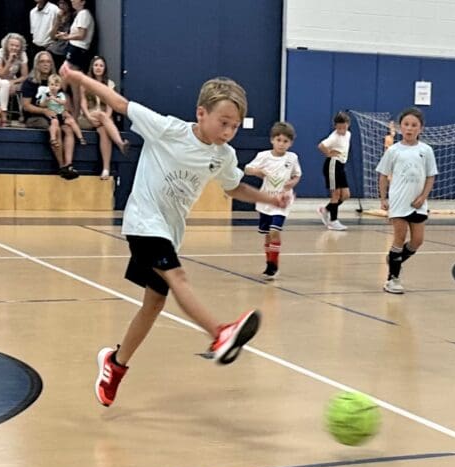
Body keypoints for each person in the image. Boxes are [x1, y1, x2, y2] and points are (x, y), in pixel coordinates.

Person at [60, 64, 290, 407]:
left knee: (154, 304)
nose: (229, 132)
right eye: (223, 122)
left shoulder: (223, 156)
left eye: (235, 126)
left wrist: (270, 198)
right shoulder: (168, 129)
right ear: (201, 113)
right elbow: (120, 103)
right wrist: (79, 79)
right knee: (178, 275)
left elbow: (234, 188)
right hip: (143, 222)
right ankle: (219, 334)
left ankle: (115, 364)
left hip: (169, 231)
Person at [377, 107, 437, 294]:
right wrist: (383, 198)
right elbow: (383, 175)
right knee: (399, 238)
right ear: (400, 127)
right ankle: (392, 279)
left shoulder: (426, 150)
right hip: (399, 201)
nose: (409, 128)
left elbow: (430, 176)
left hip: (418, 203)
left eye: (414, 125)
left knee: (417, 240)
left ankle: (395, 259)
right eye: (406, 125)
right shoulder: (394, 150)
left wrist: (422, 197)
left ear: (421, 129)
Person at [243, 121, 301, 280]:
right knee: (267, 234)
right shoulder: (264, 156)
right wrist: (257, 171)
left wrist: (292, 183)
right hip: (266, 200)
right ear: (272, 140)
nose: (282, 144)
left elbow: (297, 175)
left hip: (282, 201)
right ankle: (269, 261)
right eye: (279, 140)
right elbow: (247, 169)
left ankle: (273, 266)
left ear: (291, 143)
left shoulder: (292, 158)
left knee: (275, 230)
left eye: (286, 141)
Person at [21, 51, 77, 179]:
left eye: (48, 62)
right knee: (54, 127)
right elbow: (26, 106)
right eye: (42, 62)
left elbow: (63, 101)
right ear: (36, 64)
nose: (46, 64)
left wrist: (66, 113)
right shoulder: (30, 82)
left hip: (56, 114)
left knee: (68, 128)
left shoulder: (56, 81)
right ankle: (62, 166)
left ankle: (69, 164)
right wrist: (44, 111)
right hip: (35, 116)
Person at [78, 55, 129, 179]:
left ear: (105, 68)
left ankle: (106, 169)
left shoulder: (109, 84)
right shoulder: (85, 82)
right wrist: (90, 117)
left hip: (104, 119)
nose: (98, 68)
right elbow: (83, 103)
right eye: (96, 65)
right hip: (86, 117)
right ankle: (120, 143)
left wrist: (105, 117)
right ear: (92, 67)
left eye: (101, 65)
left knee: (104, 131)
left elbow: (111, 104)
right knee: (101, 115)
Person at [55, 0, 94, 116]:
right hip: (74, 48)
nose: (71, 0)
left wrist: (66, 37)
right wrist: (66, 36)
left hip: (77, 50)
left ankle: (74, 114)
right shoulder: (80, 14)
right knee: (69, 82)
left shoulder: (84, 14)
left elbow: (82, 35)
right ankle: (70, 111)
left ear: (83, 1)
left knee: (70, 82)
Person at [316, 111, 351, 231]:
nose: (342, 130)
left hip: (341, 165)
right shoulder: (334, 137)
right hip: (333, 164)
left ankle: (325, 209)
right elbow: (321, 145)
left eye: (344, 127)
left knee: (346, 195)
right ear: (335, 126)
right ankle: (333, 221)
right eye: (339, 127)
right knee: (335, 194)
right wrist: (329, 153)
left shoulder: (348, 134)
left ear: (348, 125)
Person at [0, 33, 29, 125]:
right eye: (12, 45)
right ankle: (3, 114)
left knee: (22, 84)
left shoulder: (23, 54)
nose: (14, 48)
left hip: (10, 79)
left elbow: (25, 76)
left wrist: (13, 82)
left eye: (17, 46)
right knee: (5, 83)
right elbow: (1, 74)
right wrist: (9, 61)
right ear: (6, 45)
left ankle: (23, 115)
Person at [36, 73, 86, 146]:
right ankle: (53, 139)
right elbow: (41, 104)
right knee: (54, 123)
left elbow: (63, 102)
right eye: (52, 84)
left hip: (62, 115)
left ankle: (80, 137)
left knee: (71, 121)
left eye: (56, 85)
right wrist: (46, 101)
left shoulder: (61, 95)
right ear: (48, 85)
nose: (53, 87)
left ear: (59, 87)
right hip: (53, 115)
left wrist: (54, 99)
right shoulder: (46, 95)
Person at [46, 0, 74, 68]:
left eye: (64, 3)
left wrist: (65, 35)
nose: (61, 6)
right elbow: (52, 36)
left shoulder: (73, 16)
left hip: (66, 52)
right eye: (60, 3)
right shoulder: (58, 16)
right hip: (54, 49)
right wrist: (58, 21)